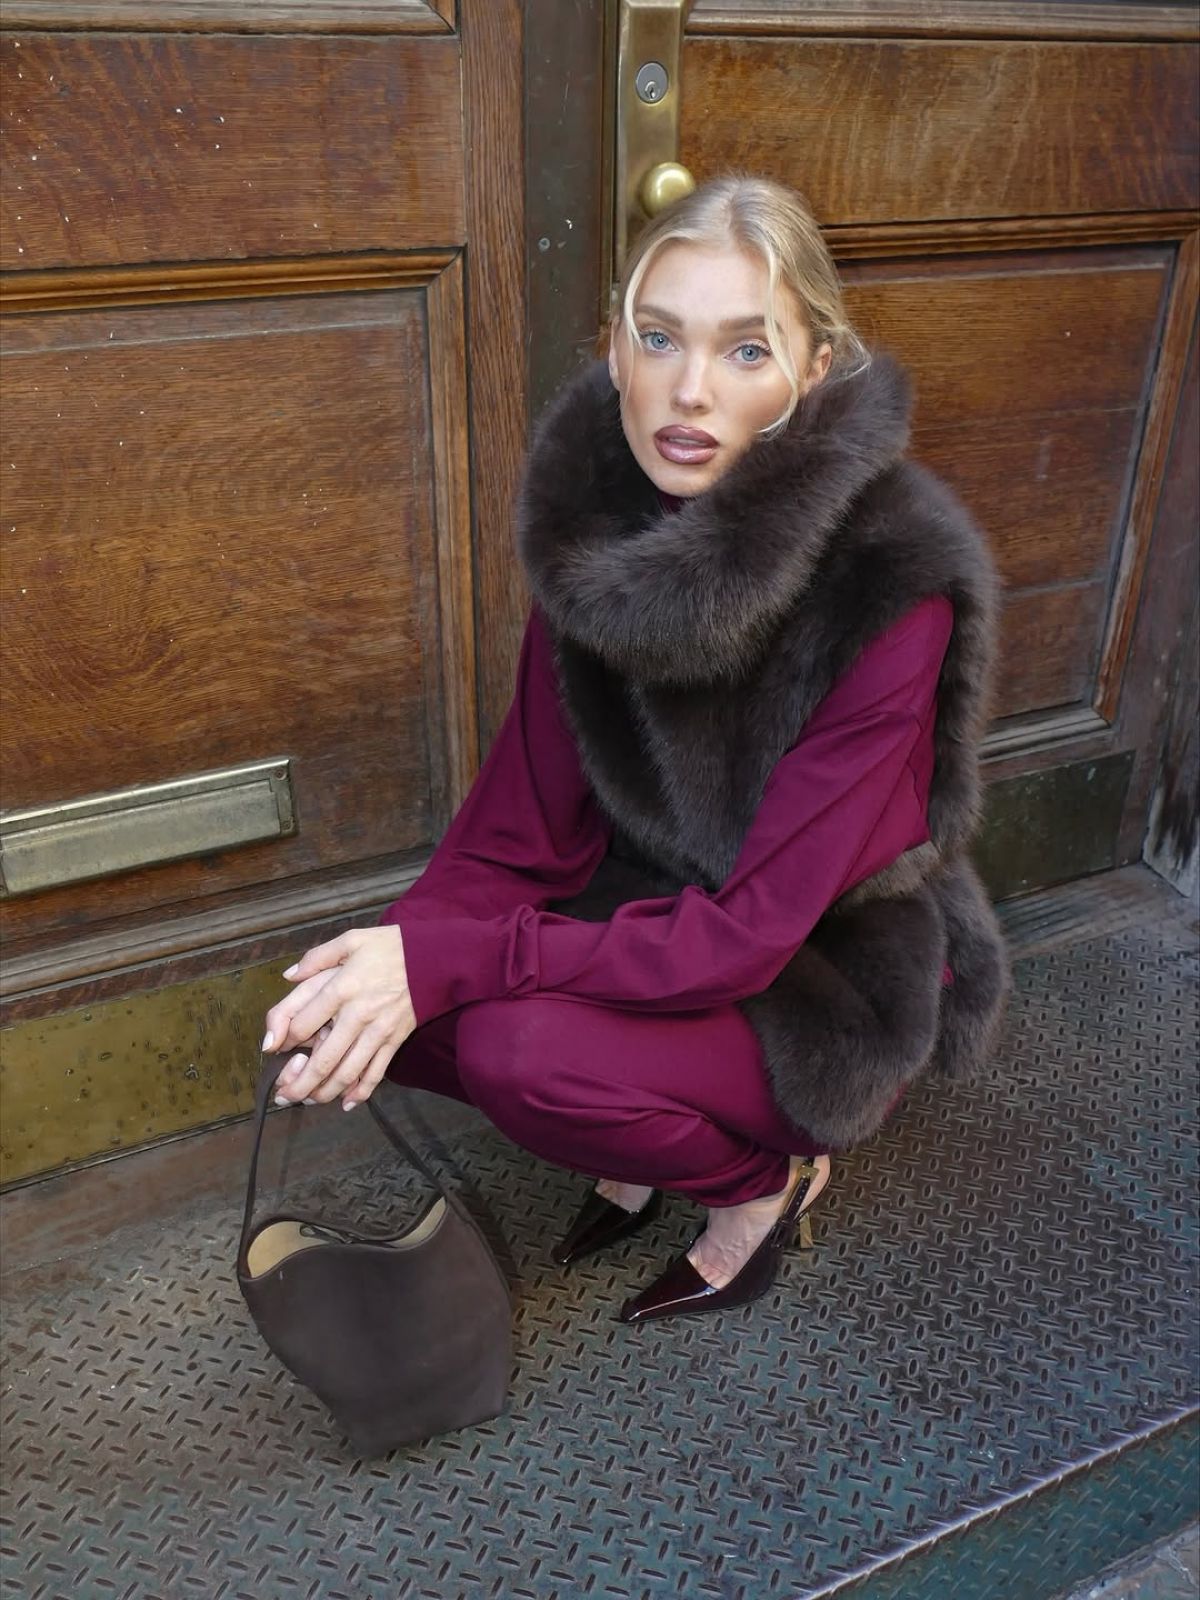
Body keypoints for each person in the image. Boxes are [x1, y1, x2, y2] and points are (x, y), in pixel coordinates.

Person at [262, 175, 1008, 1325]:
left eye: (747, 350)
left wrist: (458, 964)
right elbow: (512, 835)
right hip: (647, 916)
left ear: (813, 371)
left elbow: (753, 934)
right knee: (369, 1009)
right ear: (615, 349)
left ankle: (758, 1184)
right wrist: (391, 965)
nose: (690, 388)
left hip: (817, 977)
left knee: (518, 1052)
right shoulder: (598, 544)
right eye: (659, 338)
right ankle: (629, 1132)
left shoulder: (887, 588)